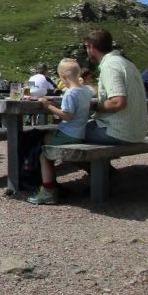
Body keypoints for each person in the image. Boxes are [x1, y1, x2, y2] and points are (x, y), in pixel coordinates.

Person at [27, 59, 93, 205]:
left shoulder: (70, 93)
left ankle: (49, 190)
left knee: (44, 154)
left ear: (62, 76)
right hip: (80, 133)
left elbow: (67, 116)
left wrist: (48, 106)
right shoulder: (85, 91)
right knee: (47, 138)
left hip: (68, 133)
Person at [83, 29, 147, 144]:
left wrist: (94, 106)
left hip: (118, 132)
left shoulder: (110, 66)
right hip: (138, 133)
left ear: (91, 47)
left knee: (67, 131)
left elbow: (118, 102)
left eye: (85, 47)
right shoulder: (126, 63)